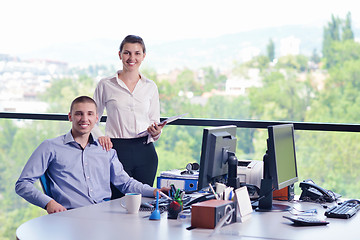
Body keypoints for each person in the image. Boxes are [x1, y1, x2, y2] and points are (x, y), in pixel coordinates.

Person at [15, 96, 167, 214]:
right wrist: (49, 203)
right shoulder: (50, 147)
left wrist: (154, 191)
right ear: (70, 117)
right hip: (70, 217)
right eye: (79, 114)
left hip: (105, 216)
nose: (84, 119)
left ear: (96, 119)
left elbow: (126, 183)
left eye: (89, 114)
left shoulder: (105, 149)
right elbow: (23, 184)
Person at [92, 35, 164, 198]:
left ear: (143, 56)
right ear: (120, 55)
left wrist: (156, 132)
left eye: (137, 53)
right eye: (127, 53)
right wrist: (100, 136)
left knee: (144, 203)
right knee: (116, 203)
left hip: (145, 152)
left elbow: (155, 122)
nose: (132, 58)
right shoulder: (106, 84)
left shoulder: (150, 86)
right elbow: (92, 119)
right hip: (116, 150)